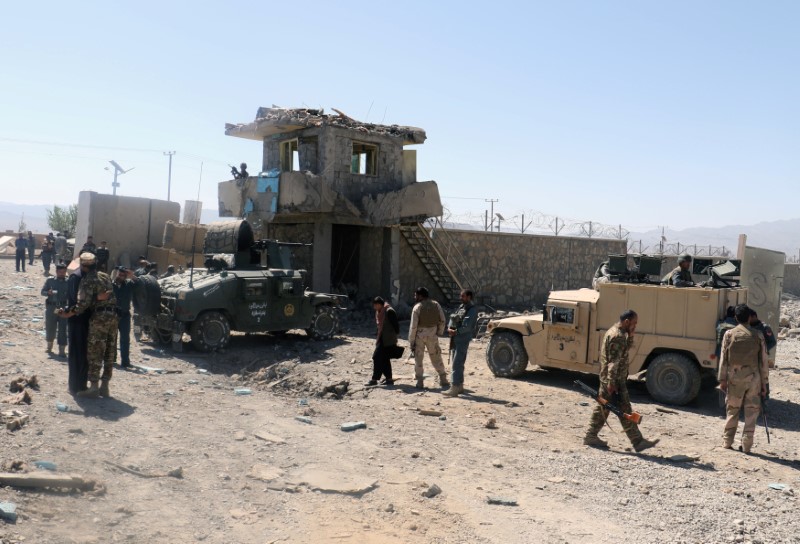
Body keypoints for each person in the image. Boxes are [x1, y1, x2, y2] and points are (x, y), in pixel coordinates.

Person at [583, 309, 659, 452]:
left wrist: (630, 336)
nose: (635, 326)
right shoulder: (617, 336)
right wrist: (612, 383)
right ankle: (637, 441)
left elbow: (625, 350)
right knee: (616, 409)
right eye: (634, 323)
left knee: (610, 408)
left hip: (613, 380)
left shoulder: (618, 333)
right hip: (613, 381)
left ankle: (592, 436)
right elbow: (613, 362)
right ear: (626, 322)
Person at [59, 253, 118, 398]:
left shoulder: (86, 279)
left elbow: (82, 304)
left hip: (99, 319)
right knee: (110, 352)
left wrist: (68, 313)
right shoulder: (105, 276)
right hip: (113, 316)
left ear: (83, 266)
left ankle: (93, 387)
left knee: (95, 352)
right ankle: (105, 386)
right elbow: (110, 295)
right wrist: (97, 297)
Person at [718, 304, 769, 453]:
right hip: (754, 379)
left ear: (735, 317)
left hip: (734, 378)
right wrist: (764, 383)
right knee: (752, 411)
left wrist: (722, 379)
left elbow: (724, 359)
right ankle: (746, 446)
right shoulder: (758, 335)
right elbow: (763, 361)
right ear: (749, 317)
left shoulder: (729, 334)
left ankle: (727, 442)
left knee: (732, 410)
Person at [408, 287, 449, 389]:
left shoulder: (417, 307)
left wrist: (411, 341)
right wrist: (439, 332)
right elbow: (443, 320)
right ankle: (443, 379)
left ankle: (420, 382)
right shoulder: (436, 305)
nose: (415, 297)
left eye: (416, 295)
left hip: (419, 336)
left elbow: (413, 327)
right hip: (432, 335)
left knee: (418, 359)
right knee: (436, 357)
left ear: (420, 296)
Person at [443, 289, 479, 397]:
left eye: (463, 296)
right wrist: (450, 328)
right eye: (461, 296)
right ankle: (459, 386)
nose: (461, 298)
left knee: (456, 363)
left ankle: (454, 387)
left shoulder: (472, 310)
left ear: (469, 297)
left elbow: (467, 326)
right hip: (456, 338)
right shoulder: (462, 307)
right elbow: (453, 318)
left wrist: (456, 331)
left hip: (462, 339)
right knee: (458, 363)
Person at [366, 296, 399, 387]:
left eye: (375, 305)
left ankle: (374, 379)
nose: (374, 307)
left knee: (376, 357)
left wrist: (393, 339)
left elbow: (396, 327)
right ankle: (389, 379)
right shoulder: (379, 312)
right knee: (384, 359)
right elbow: (380, 326)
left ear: (379, 304)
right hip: (382, 338)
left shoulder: (389, 311)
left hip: (388, 339)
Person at [41, 263, 69, 357]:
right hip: (52, 308)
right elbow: (42, 292)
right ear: (56, 272)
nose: (62, 274)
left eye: (64, 272)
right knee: (50, 326)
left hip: (63, 308)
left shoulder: (68, 282)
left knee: (63, 328)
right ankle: (49, 346)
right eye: (60, 272)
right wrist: (48, 292)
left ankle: (62, 350)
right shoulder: (50, 281)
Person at [112, 266, 136, 369]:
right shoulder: (111, 285)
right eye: (119, 274)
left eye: (123, 275)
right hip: (113, 315)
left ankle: (125, 362)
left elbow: (140, 285)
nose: (121, 277)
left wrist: (133, 276)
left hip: (125, 315)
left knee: (125, 339)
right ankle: (111, 359)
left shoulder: (129, 285)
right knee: (112, 338)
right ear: (116, 274)